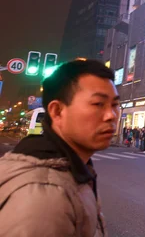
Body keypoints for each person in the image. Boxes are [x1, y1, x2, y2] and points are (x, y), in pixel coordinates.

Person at [0, 60, 117, 235]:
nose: (111, 115)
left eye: (115, 104)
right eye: (98, 104)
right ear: (57, 111)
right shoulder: (43, 199)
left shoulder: (71, 169)